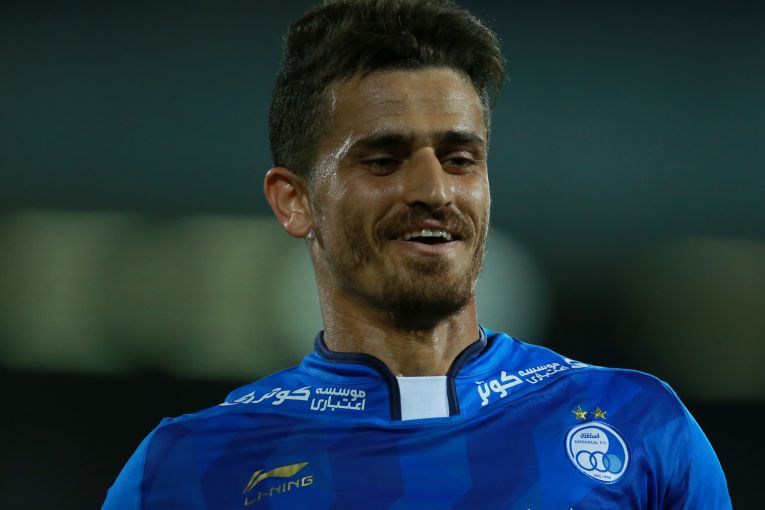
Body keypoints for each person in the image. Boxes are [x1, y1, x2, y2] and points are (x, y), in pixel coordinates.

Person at [103, 1, 731, 508]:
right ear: (294, 201)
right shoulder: (183, 468)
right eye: (383, 160)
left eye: (460, 159)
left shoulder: (640, 427)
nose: (435, 191)